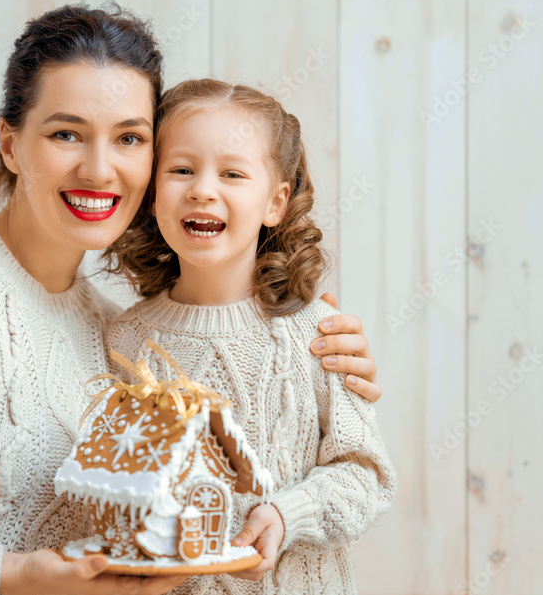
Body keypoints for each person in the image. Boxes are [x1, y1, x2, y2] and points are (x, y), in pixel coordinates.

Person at [0, 4, 381, 595]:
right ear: (10, 144)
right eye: (66, 134)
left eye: (130, 139)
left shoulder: (120, 342)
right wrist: (9, 575)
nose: (99, 168)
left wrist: (313, 353)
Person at [103, 79, 396, 594]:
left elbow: (365, 474)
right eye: (181, 170)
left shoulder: (319, 334)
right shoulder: (123, 342)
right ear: (152, 195)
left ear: (275, 203)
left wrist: (289, 515)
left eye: (232, 173)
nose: (202, 189)